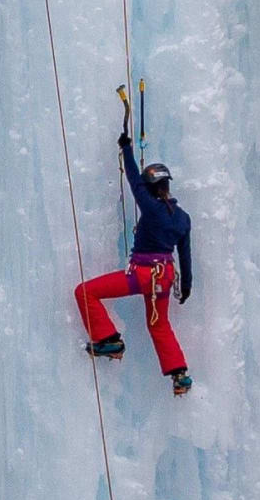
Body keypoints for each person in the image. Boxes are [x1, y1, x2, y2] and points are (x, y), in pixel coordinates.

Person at [77, 99, 192, 394]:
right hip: (164, 277)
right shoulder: (182, 218)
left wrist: (126, 148)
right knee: (159, 324)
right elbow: (185, 255)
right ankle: (180, 375)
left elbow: (133, 182)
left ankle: (107, 339)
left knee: (86, 292)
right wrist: (187, 286)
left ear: (152, 187)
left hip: (141, 275)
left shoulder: (152, 209)